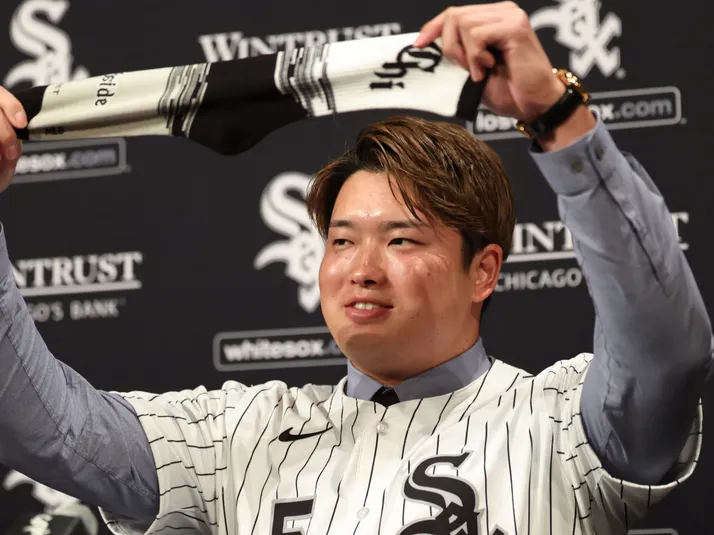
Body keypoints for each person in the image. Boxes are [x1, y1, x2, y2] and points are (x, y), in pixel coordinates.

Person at [0, 3, 711, 535]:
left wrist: (556, 118)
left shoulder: (562, 423)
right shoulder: (232, 436)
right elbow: (48, 428)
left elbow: (666, 350)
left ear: (483, 270)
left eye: (402, 240)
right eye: (342, 241)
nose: (362, 269)